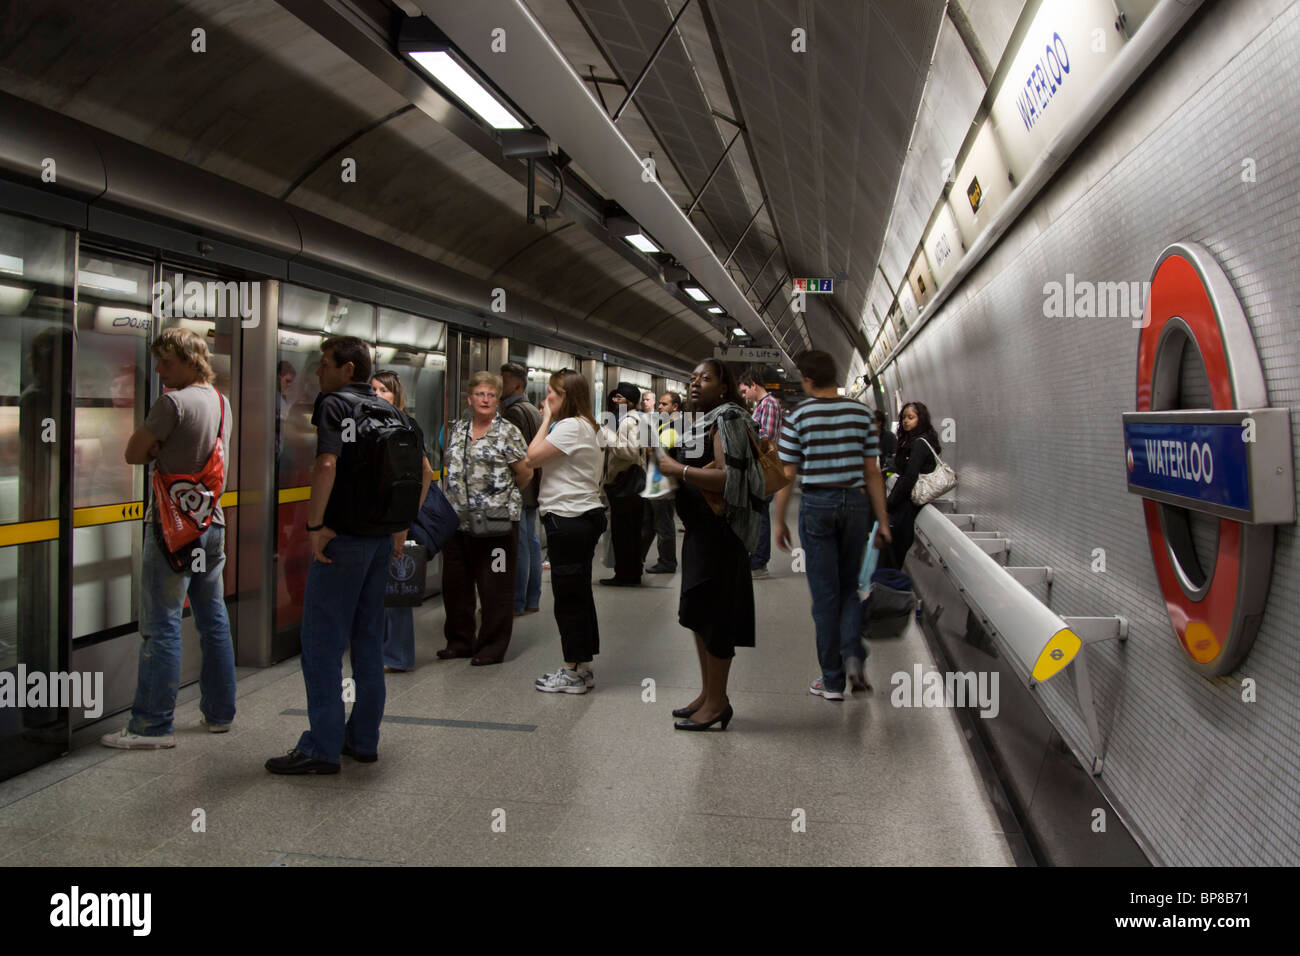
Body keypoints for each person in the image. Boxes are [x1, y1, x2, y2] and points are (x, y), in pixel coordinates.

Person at [266, 336, 418, 773]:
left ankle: (321, 747)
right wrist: (398, 530)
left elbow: (326, 464)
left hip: (343, 541)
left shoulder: (335, 404)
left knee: (321, 645)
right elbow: (411, 473)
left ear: (348, 369)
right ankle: (363, 739)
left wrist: (315, 527)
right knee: (368, 642)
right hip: (378, 542)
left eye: (325, 365)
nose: (319, 373)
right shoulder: (391, 410)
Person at [101, 328, 236, 750]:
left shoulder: (172, 403)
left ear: (190, 360)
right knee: (213, 618)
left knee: (161, 624)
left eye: (166, 361)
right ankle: (219, 714)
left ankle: (152, 726)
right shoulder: (220, 402)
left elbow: (133, 452)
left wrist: (160, 446)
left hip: (172, 528)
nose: (159, 369)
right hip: (210, 525)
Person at [773, 350, 891, 700]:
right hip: (855, 504)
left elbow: (787, 474)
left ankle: (833, 679)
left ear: (808, 379)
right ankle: (854, 656)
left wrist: (779, 520)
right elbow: (872, 472)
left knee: (825, 597)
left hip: (818, 504)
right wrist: (883, 521)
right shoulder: (862, 413)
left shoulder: (799, 416)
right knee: (849, 588)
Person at [654, 359, 762, 731]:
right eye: (692, 378)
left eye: (706, 378)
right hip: (701, 533)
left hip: (720, 535)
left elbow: (728, 478)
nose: (696, 384)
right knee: (699, 615)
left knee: (715, 618)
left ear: (724, 386)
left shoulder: (728, 419)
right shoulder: (704, 420)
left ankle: (717, 703)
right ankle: (708, 693)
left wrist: (678, 471)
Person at [439, 372, 532, 665]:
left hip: (496, 524)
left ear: (498, 400)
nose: (485, 399)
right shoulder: (457, 429)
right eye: (480, 394)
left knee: (495, 586)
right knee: (456, 585)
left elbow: (525, 473)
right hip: (457, 521)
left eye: (491, 395)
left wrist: (501, 499)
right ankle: (459, 641)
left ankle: (491, 646)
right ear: (470, 399)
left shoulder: (508, 432)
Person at [524, 370, 606, 694]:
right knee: (580, 594)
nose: (548, 400)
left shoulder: (570, 426)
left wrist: (545, 419)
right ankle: (582, 665)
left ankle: (572, 672)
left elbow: (531, 458)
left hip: (568, 519)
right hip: (583, 516)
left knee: (568, 598)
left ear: (565, 396)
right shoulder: (588, 425)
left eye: (553, 395)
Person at [371, 370, 435, 672]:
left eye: (384, 390)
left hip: (393, 518)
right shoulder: (366, 424)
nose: (377, 395)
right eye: (373, 389)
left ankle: (396, 654)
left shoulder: (406, 427)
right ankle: (379, 650)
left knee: (395, 588)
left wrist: (409, 514)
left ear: (396, 396)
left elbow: (425, 471)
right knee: (379, 588)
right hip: (371, 517)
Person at [499, 362, 544, 617]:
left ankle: (516, 600)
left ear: (516, 384)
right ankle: (532, 597)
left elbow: (514, 454)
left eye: (503, 381)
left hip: (520, 487)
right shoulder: (532, 410)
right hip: (533, 486)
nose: (499, 386)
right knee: (532, 542)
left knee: (521, 545)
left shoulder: (514, 413)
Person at [879, 402, 940, 569]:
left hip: (906, 505)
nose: (906, 421)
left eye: (911, 417)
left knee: (891, 555)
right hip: (908, 503)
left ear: (921, 419)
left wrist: (889, 505)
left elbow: (909, 477)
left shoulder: (919, 444)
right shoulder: (913, 441)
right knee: (892, 555)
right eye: (904, 417)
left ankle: (887, 590)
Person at [738, 366, 783, 578]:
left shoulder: (770, 404)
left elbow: (766, 438)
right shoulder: (762, 405)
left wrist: (744, 431)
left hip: (762, 468)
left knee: (761, 514)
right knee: (757, 514)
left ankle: (759, 562)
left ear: (754, 385)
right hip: (755, 467)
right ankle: (755, 557)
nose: (744, 396)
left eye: (745, 391)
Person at [600, 382, 646, 586]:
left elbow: (629, 452)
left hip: (625, 482)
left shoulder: (628, 422)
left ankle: (625, 574)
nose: (615, 402)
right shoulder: (638, 419)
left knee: (624, 532)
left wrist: (608, 435)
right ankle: (632, 572)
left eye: (620, 398)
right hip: (633, 481)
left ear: (629, 401)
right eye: (614, 398)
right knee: (631, 531)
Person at [640, 391, 681, 574]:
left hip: (663, 483)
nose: (660, 407)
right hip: (656, 480)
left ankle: (667, 561)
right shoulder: (664, 424)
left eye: (664, 404)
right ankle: (638, 558)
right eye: (660, 404)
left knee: (663, 524)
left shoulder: (674, 427)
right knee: (649, 523)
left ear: (675, 407)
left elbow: (656, 449)